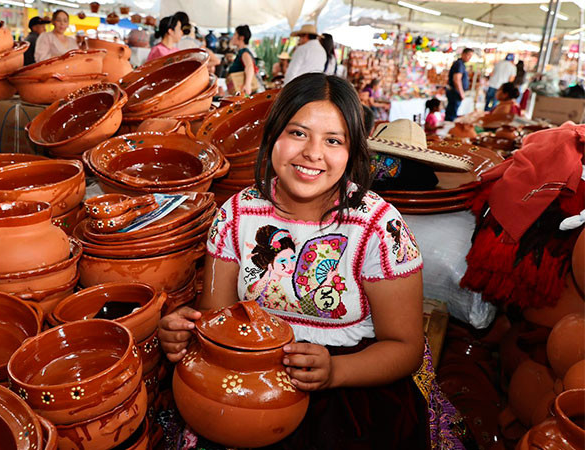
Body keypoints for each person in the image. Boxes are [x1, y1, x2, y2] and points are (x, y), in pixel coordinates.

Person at [159, 73, 473, 449]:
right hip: (249, 379)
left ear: (352, 151)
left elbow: (404, 347)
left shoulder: (378, 225)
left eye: (333, 140)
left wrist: (334, 372)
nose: (312, 152)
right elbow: (216, 317)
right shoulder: (237, 213)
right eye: (297, 133)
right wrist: (186, 334)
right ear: (273, 136)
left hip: (349, 384)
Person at [226, 25, 257, 95]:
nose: (232, 37)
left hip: (243, 92)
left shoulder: (244, 53)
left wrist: (247, 85)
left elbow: (250, 67)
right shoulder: (241, 52)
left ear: (241, 38)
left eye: (235, 34)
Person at [445, 47, 473, 122]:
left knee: (452, 112)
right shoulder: (459, 64)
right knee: (451, 114)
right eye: (468, 55)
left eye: (471, 56)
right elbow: (456, 79)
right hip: (455, 92)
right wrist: (461, 93)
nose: (469, 58)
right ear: (463, 54)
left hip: (454, 92)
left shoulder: (460, 64)